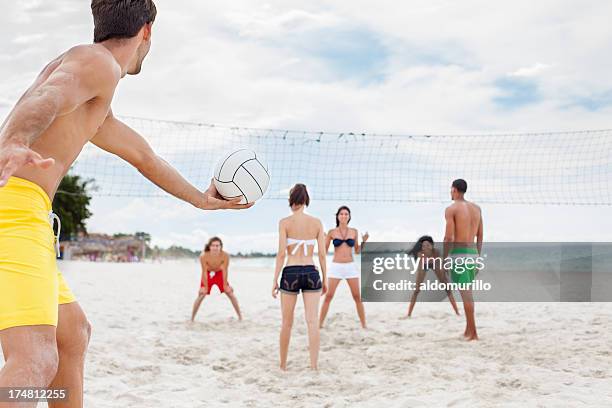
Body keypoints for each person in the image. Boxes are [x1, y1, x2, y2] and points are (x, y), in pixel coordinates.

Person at [0, 2, 251, 406]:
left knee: (73, 334)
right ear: (146, 32)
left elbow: (144, 157)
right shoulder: (95, 62)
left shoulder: (95, 94)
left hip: (25, 215)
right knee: (34, 358)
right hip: (13, 210)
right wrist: (14, 139)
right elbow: (49, 96)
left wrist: (202, 200)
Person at [271, 184, 327, 370]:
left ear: (292, 199)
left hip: (291, 272)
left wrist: (274, 280)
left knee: (287, 323)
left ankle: (283, 365)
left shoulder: (284, 222)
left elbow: (281, 254)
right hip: (311, 272)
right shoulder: (317, 223)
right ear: (306, 200)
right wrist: (325, 278)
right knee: (313, 322)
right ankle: (313, 366)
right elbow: (321, 255)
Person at [443, 179, 483, 341]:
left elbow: (448, 238)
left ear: (454, 190)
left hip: (459, 253)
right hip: (473, 252)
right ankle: (468, 329)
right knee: (466, 292)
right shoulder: (477, 209)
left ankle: (473, 334)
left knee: (466, 294)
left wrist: (445, 258)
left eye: (450, 189)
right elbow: (480, 235)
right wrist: (478, 257)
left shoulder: (451, 209)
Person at [319, 206, 368, 329]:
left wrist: (364, 241)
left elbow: (357, 251)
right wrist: (323, 239)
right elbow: (323, 251)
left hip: (351, 267)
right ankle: (319, 324)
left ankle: (364, 325)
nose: (344, 216)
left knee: (357, 296)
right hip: (336, 267)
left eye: (346, 214)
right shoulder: (332, 232)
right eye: (341, 214)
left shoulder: (354, 231)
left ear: (349, 216)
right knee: (328, 296)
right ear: (337, 216)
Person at [402, 235, 460, 318]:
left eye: (428, 245)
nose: (426, 247)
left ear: (432, 245)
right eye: (423, 246)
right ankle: (409, 314)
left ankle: (457, 312)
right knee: (416, 291)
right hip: (423, 264)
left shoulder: (436, 252)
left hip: (434, 263)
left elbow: (441, 263)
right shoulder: (420, 253)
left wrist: (444, 271)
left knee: (447, 288)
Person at [191, 237, 242, 321]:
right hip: (208, 274)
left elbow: (225, 270)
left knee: (230, 293)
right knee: (202, 294)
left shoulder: (225, 256)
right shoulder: (203, 256)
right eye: (213, 245)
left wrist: (225, 286)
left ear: (221, 246)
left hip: (219, 274)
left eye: (217, 245)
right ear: (209, 246)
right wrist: (205, 287)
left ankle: (240, 317)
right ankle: (192, 318)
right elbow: (204, 271)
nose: (215, 247)